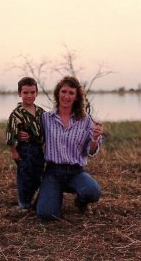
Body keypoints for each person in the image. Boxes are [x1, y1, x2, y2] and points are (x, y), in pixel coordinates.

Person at [36, 76, 104, 221]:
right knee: (46, 215)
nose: (66, 96)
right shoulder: (46, 118)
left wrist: (96, 138)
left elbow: (90, 151)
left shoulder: (86, 121)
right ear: (57, 93)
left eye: (71, 93)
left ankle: (81, 202)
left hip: (75, 171)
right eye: (64, 91)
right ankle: (52, 194)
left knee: (93, 192)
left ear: (76, 97)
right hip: (53, 172)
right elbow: (33, 136)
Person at [6, 77, 45, 210]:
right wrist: (14, 152)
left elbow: (46, 130)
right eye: (26, 93)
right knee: (24, 177)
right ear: (19, 93)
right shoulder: (16, 114)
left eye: (32, 92)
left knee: (38, 176)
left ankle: (33, 200)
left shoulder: (41, 112)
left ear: (37, 93)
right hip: (24, 150)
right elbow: (10, 134)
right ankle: (23, 204)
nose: (29, 96)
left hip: (39, 150)